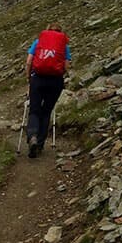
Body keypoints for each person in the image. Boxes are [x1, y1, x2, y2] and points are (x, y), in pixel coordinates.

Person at [25, 23, 71, 158]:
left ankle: (32, 136)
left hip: (37, 78)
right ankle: (39, 144)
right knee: (46, 111)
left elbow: (29, 61)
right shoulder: (64, 46)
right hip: (55, 81)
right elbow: (66, 65)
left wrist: (29, 76)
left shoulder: (38, 42)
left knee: (34, 109)